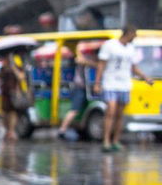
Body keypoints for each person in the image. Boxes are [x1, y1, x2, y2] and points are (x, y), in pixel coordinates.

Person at [93, 24, 149, 152]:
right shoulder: (110, 45)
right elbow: (101, 65)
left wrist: (145, 77)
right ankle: (106, 140)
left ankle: (115, 141)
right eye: (133, 34)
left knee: (119, 114)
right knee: (110, 111)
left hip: (124, 84)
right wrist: (97, 83)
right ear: (128, 33)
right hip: (110, 82)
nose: (135, 37)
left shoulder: (131, 48)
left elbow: (133, 67)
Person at [56, 48, 96, 141]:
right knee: (74, 110)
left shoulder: (91, 58)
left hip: (86, 87)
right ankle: (62, 130)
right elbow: (80, 60)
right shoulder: (84, 58)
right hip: (79, 87)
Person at [0, 53, 27, 142]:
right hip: (4, 93)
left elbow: (21, 77)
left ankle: (12, 131)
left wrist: (13, 68)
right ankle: (7, 130)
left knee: (13, 112)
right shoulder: (2, 69)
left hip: (14, 93)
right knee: (4, 113)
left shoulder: (16, 67)